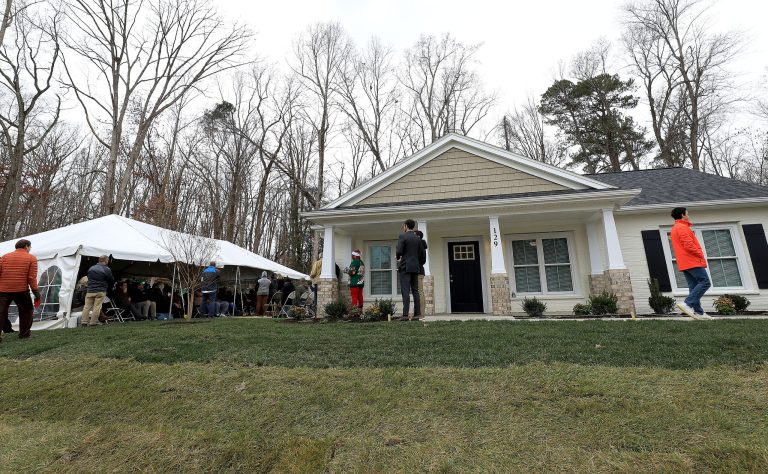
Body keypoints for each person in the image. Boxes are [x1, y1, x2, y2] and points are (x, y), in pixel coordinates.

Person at [670, 207, 713, 320]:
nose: (688, 216)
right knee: (705, 282)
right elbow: (688, 245)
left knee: (694, 287)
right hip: (692, 260)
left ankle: (699, 312)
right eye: (687, 214)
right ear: (683, 215)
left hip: (684, 262)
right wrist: (700, 253)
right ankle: (687, 303)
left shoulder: (675, 228)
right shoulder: (682, 227)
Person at [0, 239, 40, 341]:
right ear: (26, 246)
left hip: (3, 290)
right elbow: (31, 278)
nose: (30, 249)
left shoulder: (4, 257)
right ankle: (24, 334)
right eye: (30, 247)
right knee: (26, 311)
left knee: (1, 312)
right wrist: (36, 292)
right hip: (21, 290)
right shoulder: (31, 258)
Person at [396, 219, 424, 320]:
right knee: (415, 291)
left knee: (405, 290)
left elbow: (399, 251)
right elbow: (421, 254)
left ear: (406, 226)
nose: (403, 227)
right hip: (415, 267)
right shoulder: (418, 238)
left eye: (404, 226)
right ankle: (417, 314)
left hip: (405, 267)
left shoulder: (403, 236)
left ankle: (405, 315)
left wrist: (398, 258)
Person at [81, 255, 114, 327]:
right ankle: (93, 322)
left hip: (90, 291)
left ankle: (84, 322)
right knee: (97, 307)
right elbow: (111, 280)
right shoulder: (106, 269)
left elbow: (88, 278)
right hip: (100, 291)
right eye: (107, 260)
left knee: (86, 307)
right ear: (106, 261)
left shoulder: (91, 268)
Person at [416, 229, 428, 318]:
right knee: (419, 292)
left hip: (418, 271)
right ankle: (419, 312)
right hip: (420, 270)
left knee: (419, 292)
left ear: (418, 236)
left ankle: (421, 314)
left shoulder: (419, 247)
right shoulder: (422, 246)